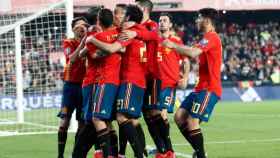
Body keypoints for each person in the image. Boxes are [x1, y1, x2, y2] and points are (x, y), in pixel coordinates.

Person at [87, 5, 148, 158]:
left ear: (127, 17)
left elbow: (113, 49)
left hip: (128, 80)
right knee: (129, 119)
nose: (116, 17)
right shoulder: (142, 31)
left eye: (119, 14)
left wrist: (93, 39)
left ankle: (134, 154)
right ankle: (132, 153)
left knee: (116, 118)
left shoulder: (127, 33)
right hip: (137, 80)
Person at [163, 8, 222, 158]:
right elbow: (190, 52)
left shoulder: (212, 37)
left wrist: (173, 45)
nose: (196, 21)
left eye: (198, 18)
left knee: (192, 122)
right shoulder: (204, 39)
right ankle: (200, 150)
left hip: (210, 89)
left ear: (207, 21)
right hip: (200, 88)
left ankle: (201, 155)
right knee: (179, 117)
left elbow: (192, 52)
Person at [57, 17, 87, 158]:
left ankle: (76, 154)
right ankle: (60, 155)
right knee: (64, 122)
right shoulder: (68, 42)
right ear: (73, 29)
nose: (81, 29)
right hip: (70, 87)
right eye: (78, 27)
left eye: (83, 26)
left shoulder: (90, 42)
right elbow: (72, 58)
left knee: (82, 124)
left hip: (84, 86)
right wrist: (83, 43)